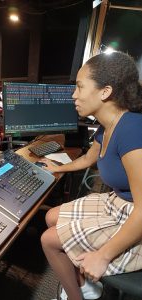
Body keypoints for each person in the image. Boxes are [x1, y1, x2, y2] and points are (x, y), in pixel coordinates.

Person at [40, 51, 142, 300]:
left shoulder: (132, 130)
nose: (74, 95)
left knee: (49, 240)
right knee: (52, 215)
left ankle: (77, 297)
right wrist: (58, 168)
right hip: (118, 202)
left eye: (79, 87)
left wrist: (103, 255)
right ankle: (86, 285)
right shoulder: (105, 126)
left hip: (134, 214)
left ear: (105, 92)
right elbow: (89, 159)